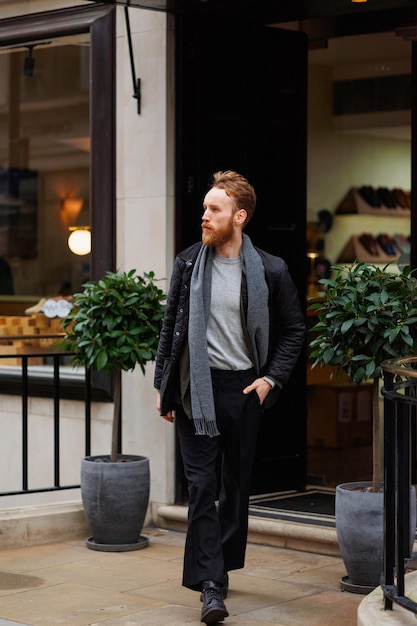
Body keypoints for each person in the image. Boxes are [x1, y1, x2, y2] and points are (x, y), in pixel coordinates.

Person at [154, 170, 305, 624]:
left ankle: (218, 569)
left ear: (238, 216)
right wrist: (163, 386)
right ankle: (211, 587)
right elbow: (170, 329)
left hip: (243, 390)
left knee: (234, 490)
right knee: (201, 488)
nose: (204, 216)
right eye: (204, 208)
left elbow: (294, 330)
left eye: (213, 209)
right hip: (193, 390)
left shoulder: (272, 270)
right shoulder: (187, 262)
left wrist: (270, 381)